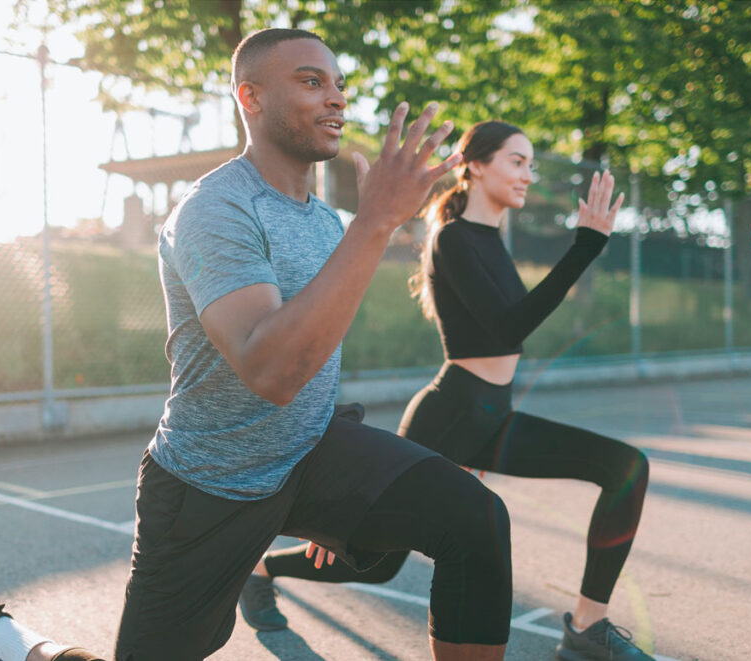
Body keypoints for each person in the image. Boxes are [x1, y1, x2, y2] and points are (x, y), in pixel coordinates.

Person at [0, 29, 517, 661]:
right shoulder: (214, 209)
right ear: (250, 97)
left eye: (339, 84)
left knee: (475, 520)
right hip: (212, 481)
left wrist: (342, 489)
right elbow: (271, 369)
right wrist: (375, 222)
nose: (335, 98)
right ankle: (14, 645)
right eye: (312, 82)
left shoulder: (321, 220)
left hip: (309, 451)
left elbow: (313, 349)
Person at [238, 121, 655, 661]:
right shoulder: (453, 239)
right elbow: (508, 329)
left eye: (531, 163)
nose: (528, 174)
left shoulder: (489, 239)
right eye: (517, 161)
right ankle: (259, 568)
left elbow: (506, 330)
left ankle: (586, 626)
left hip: (494, 416)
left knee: (626, 467)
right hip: (450, 414)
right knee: (378, 560)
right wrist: (585, 248)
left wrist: (585, 247)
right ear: (476, 165)